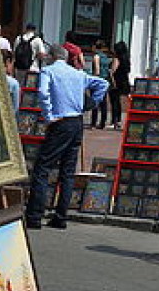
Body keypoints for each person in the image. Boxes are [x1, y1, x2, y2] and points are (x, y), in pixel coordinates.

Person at [24, 45, 106, 230]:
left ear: (53, 57)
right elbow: (103, 84)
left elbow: (43, 93)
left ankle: (35, 216)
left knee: (42, 167)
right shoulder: (77, 74)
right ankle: (61, 216)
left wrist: (48, 115)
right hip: (76, 122)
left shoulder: (48, 71)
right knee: (67, 171)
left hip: (60, 122)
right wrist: (93, 102)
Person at [89, 40, 113, 129]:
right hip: (105, 80)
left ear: (95, 47)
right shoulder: (105, 57)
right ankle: (103, 122)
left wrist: (93, 80)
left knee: (95, 101)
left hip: (98, 80)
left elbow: (97, 70)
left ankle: (93, 123)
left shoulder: (96, 56)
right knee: (103, 102)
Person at [109, 40, 132, 129]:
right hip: (124, 81)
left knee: (114, 101)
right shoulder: (126, 59)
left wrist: (112, 81)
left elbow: (112, 71)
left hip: (117, 82)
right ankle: (118, 120)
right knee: (119, 102)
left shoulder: (117, 58)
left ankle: (114, 121)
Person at [2, 48, 20, 116]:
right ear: (8, 61)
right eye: (12, 64)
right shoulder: (13, 83)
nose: (13, 67)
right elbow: (15, 108)